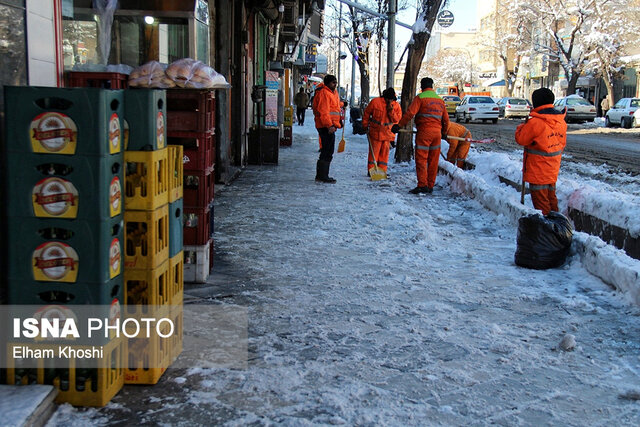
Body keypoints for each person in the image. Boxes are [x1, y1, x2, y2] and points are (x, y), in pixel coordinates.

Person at [392, 77, 449, 194]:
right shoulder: (440, 100)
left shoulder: (420, 98)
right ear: (432, 86)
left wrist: (399, 125)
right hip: (437, 134)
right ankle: (430, 185)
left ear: (422, 87)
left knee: (422, 159)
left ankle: (422, 185)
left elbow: (410, 114)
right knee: (433, 161)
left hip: (424, 132)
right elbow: (446, 120)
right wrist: (444, 133)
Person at [515, 87, 567, 216]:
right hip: (552, 169)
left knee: (541, 203)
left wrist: (522, 127)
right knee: (551, 198)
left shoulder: (535, 123)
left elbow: (521, 139)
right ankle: (558, 224)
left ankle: (547, 230)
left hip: (538, 170)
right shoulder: (561, 121)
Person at [362, 88, 402, 177]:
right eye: (388, 98)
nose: (389, 100)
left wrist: (390, 110)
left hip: (387, 134)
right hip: (375, 132)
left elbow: (396, 119)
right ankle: (371, 171)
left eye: (391, 99)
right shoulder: (376, 102)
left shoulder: (396, 106)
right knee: (373, 153)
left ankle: (382, 171)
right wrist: (365, 125)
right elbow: (367, 113)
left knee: (384, 154)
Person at [312, 74, 342, 183]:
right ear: (328, 83)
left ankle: (322, 174)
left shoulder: (332, 93)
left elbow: (334, 106)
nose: (335, 84)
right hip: (326, 126)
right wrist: (329, 125)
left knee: (328, 150)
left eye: (336, 82)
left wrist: (342, 105)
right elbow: (324, 111)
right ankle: (322, 175)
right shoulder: (324, 93)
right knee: (327, 151)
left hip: (330, 126)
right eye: (333, 82)